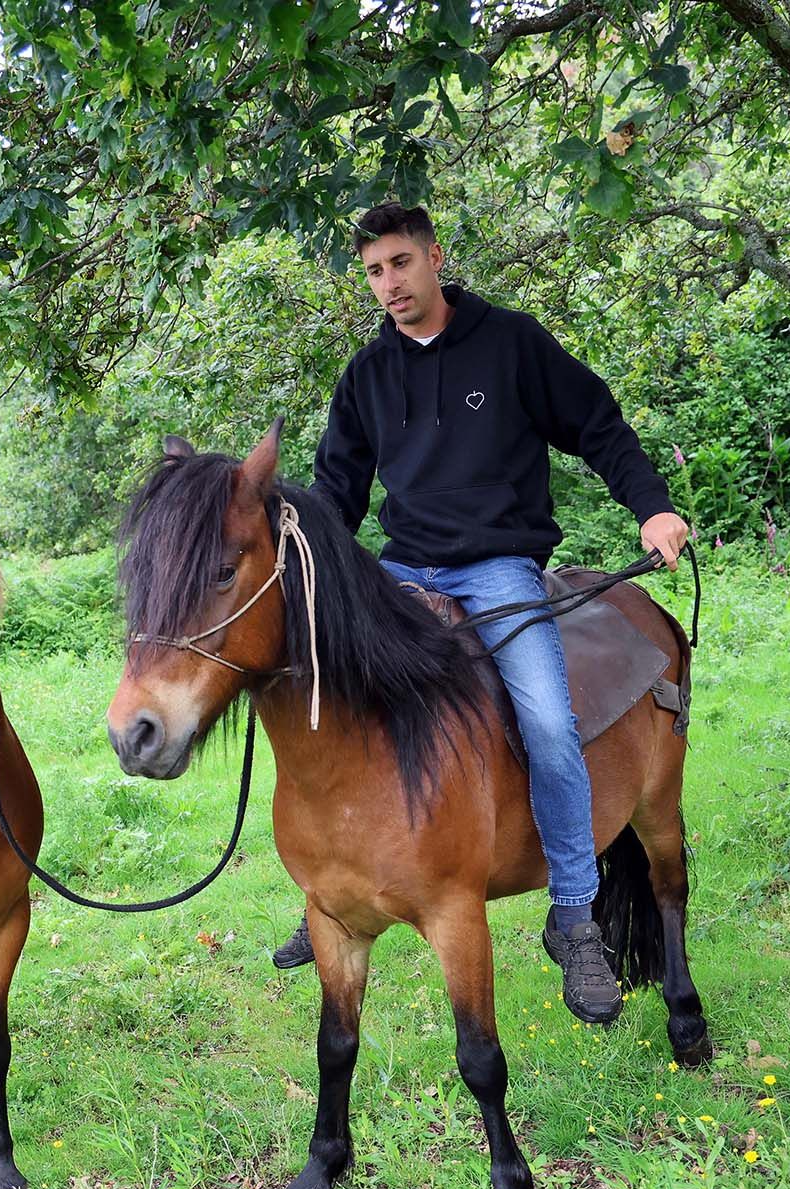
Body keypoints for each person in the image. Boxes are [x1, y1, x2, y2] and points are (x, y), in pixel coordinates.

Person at [269, 202, 690, 1027]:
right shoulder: (366, 376)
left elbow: (597, 424)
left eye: (398, 263)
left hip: (498, 567)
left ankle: (574, 913)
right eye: (373, 272)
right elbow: (336, 497)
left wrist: (652, 507)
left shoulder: (510, 343)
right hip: (402, 569)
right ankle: (337, 883)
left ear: (433, 256)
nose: (388, 284)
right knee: (329, 708)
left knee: (545, 720)